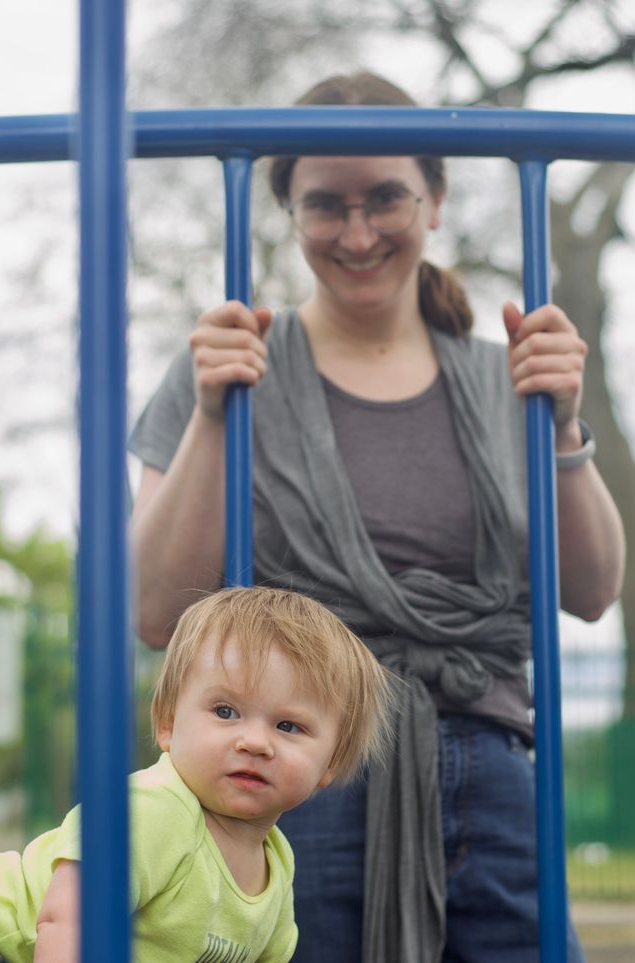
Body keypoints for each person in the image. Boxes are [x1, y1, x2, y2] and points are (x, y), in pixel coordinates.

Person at [127, 72, 625, 963]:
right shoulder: (228, 369)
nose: (357, 232)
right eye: (326, 205)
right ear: (288, 210)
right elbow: (155, 610)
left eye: (385, 197)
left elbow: (591, 591)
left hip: (489, 753)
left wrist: (562, 426)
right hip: (292, 772)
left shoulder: (506, 373)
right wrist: (212, 417)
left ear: (434, 199)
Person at [0, 586, 395, 963]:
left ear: (332, 763)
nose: (254, 742)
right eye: (225, 711)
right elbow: (70, 923)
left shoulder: (277, 863)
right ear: (168, 722)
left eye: (288, 726)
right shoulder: (152, 812)